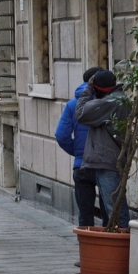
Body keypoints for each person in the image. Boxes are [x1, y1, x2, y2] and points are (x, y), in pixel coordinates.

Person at [75, 69, 130, 229]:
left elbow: (81, 113)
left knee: (115, 210)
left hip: (108, 162)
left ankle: (122, 246)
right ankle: (120, 243)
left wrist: (88, 89)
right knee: (113, 207)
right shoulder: (117, 99)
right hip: (106, 161)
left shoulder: (111, 102)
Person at [55, 66, 107, 227]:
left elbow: (61, 135)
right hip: (105, 162)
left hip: (82, 164)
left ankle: (87, 247)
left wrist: (79, 152)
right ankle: (109, 247)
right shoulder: (108, 103)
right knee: (110, 211)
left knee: (85, 213)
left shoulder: (72, 105)